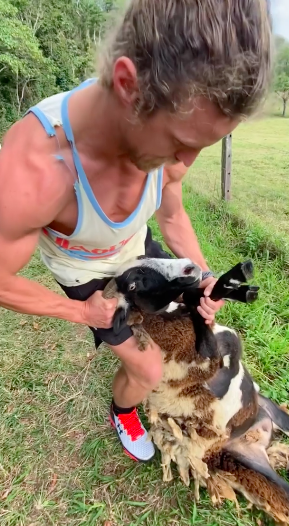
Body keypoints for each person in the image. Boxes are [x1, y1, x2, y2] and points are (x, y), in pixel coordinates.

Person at [0, 0, 272, 462]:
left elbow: (172, 217)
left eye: (201, 148)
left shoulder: (174, 131)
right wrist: (81, 313)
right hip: (88, 271)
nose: (184, 165)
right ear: (129, 86)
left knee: (188, 322)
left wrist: (204, 275)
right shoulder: (33, 174)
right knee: (146, 368)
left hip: (137, 250)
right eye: (182, 145)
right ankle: (121, 412)